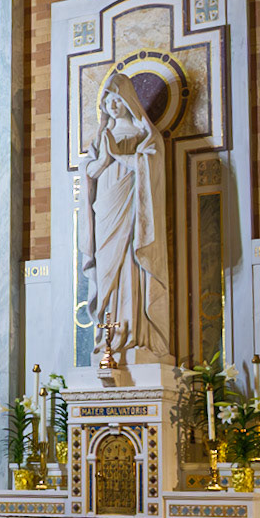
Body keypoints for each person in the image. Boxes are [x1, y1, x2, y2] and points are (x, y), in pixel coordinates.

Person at [80, 71, 169, 359]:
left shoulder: (144, 134)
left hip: (132, 208)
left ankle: (134, 334)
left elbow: (149, 168)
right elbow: (90, 172)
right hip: (106, 206)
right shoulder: (101, 138)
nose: (112, 104)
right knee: (107, 266)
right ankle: (109, 337)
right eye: (108, 99)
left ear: (128, 99)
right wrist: (105, 159)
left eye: (118, 98)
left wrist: (119, 156)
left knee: (131, 262)